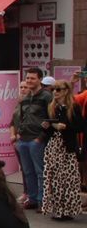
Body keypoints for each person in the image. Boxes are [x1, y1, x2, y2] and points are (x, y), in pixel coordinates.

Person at [41, 80, 83, 220]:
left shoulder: (74, 107)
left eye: (58, 89)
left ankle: (67, 210)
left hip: (67, 147)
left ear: (66, 90)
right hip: (53, 146)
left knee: (68, 179)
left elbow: (80, 127)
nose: (55, 92)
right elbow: (48, 130)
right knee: (54, 179)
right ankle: (57, 210)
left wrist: (65, 127)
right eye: (54, 89)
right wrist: (47, 127)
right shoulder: (52, 107)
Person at [11, 68, 51, 210]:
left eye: (32, 78)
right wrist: (19, 134)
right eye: (28, 78)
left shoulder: (46, 96)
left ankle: (42, 200)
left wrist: (41, 137)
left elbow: (50, 118)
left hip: (36, 139)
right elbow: (20, 117)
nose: (29, 81)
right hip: (24, 139)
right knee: (28, 171)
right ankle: (32, 198)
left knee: (40, 171)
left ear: (40, 79)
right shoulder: (25, 98)